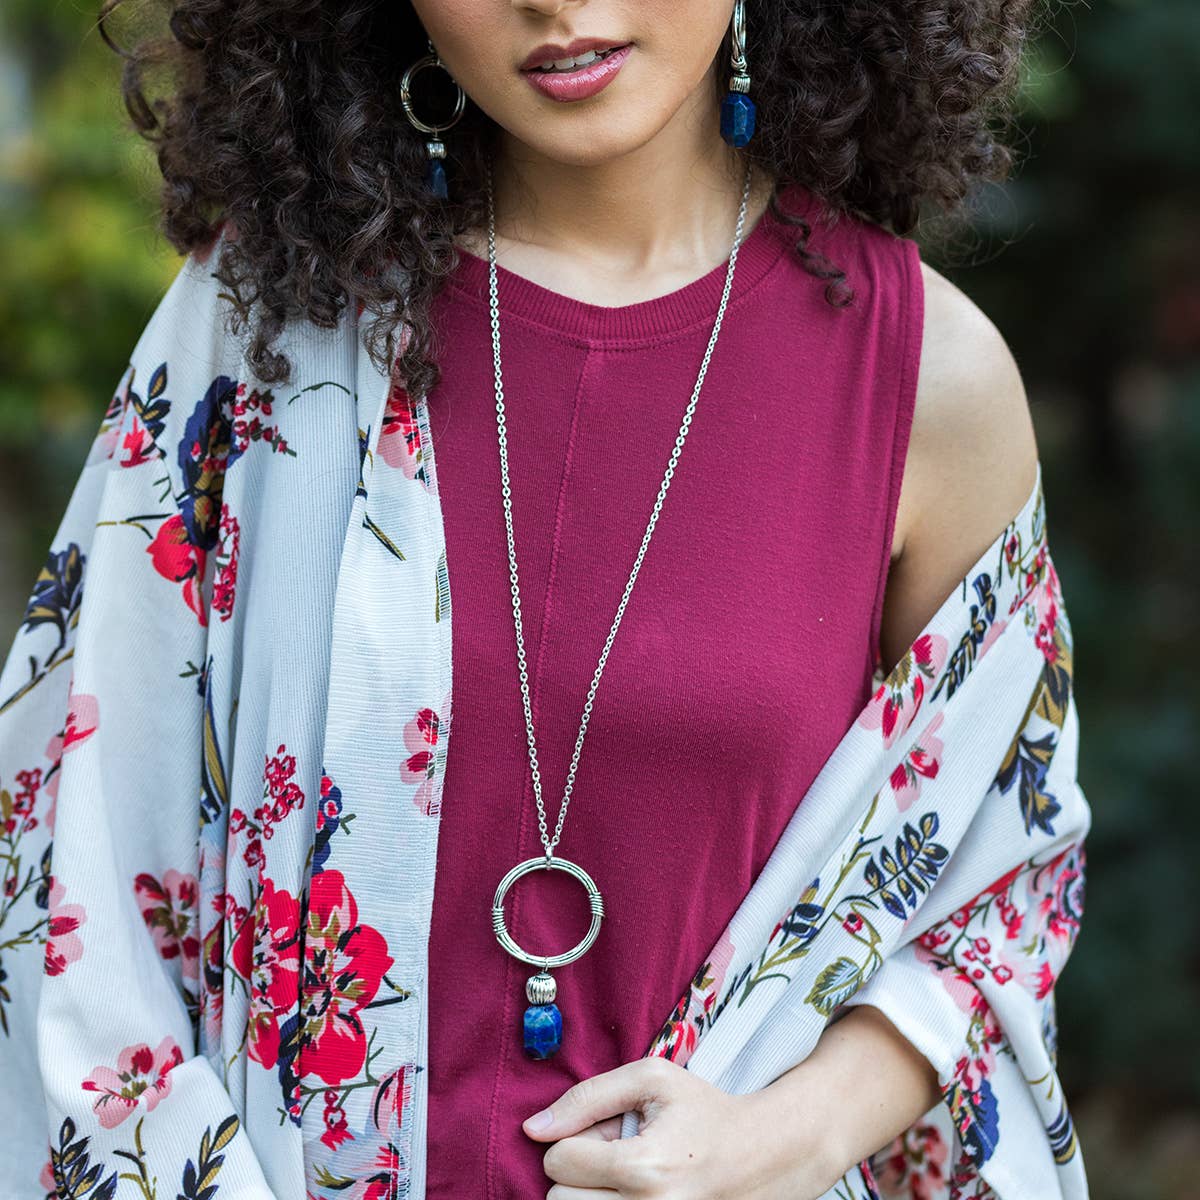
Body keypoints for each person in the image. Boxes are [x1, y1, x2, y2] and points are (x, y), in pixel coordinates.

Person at [0, 1, 1090, 1197]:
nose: (555, 1)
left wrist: (785, 1140)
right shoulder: (257, 339)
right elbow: (68, 875)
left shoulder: (929, 380)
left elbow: (999, 882)